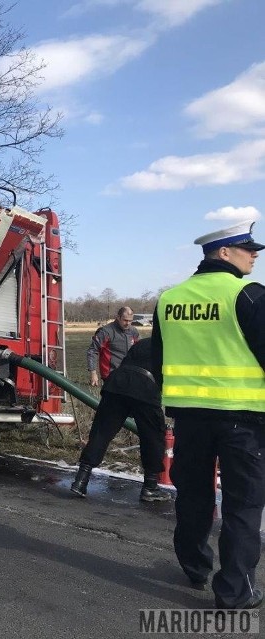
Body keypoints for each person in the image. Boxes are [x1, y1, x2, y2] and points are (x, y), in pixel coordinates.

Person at [151, 220, 265, 610]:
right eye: (249, 249)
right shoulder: (248, 294)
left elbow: (159, 360)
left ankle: (195, 567)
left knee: (195, 495)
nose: (254, 255)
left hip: (190, 419)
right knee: (243, 504)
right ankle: (234, 591)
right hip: (244, 419)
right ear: (224, 253)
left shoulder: (169, 299)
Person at [70, 337, 170, 502]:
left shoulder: (144, 342)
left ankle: (80, 480)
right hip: (145, 388)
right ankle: (150, 487)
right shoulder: (172, 347)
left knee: (101, 433)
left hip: (116, 384)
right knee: (153, 438)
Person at [87, 306, 139, 387]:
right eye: (125, 320)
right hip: (110, 376)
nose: (128, 323)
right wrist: (93, 373)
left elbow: (139, 350)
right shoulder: (105, 332)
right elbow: (92, 351)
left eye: (130, 321)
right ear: (118, 317)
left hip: (129, 375)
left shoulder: (133, 331)